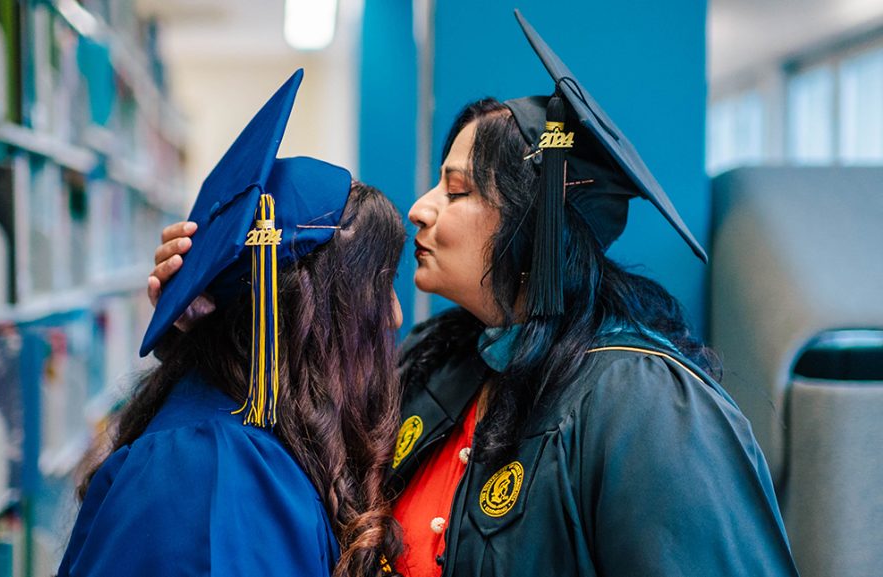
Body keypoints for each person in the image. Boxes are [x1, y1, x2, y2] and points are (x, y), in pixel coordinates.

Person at [150, 12, 799, 577]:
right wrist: (213, 321)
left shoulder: (645, 403)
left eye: (457, 190)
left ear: (531, 220)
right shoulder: (447, 359)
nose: (419, 210)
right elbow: (312, 457)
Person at [59, 70, 404, 577]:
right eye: (380, 283)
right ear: (308, 309)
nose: (393, 313)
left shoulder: (246, 440)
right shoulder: (214, 475)